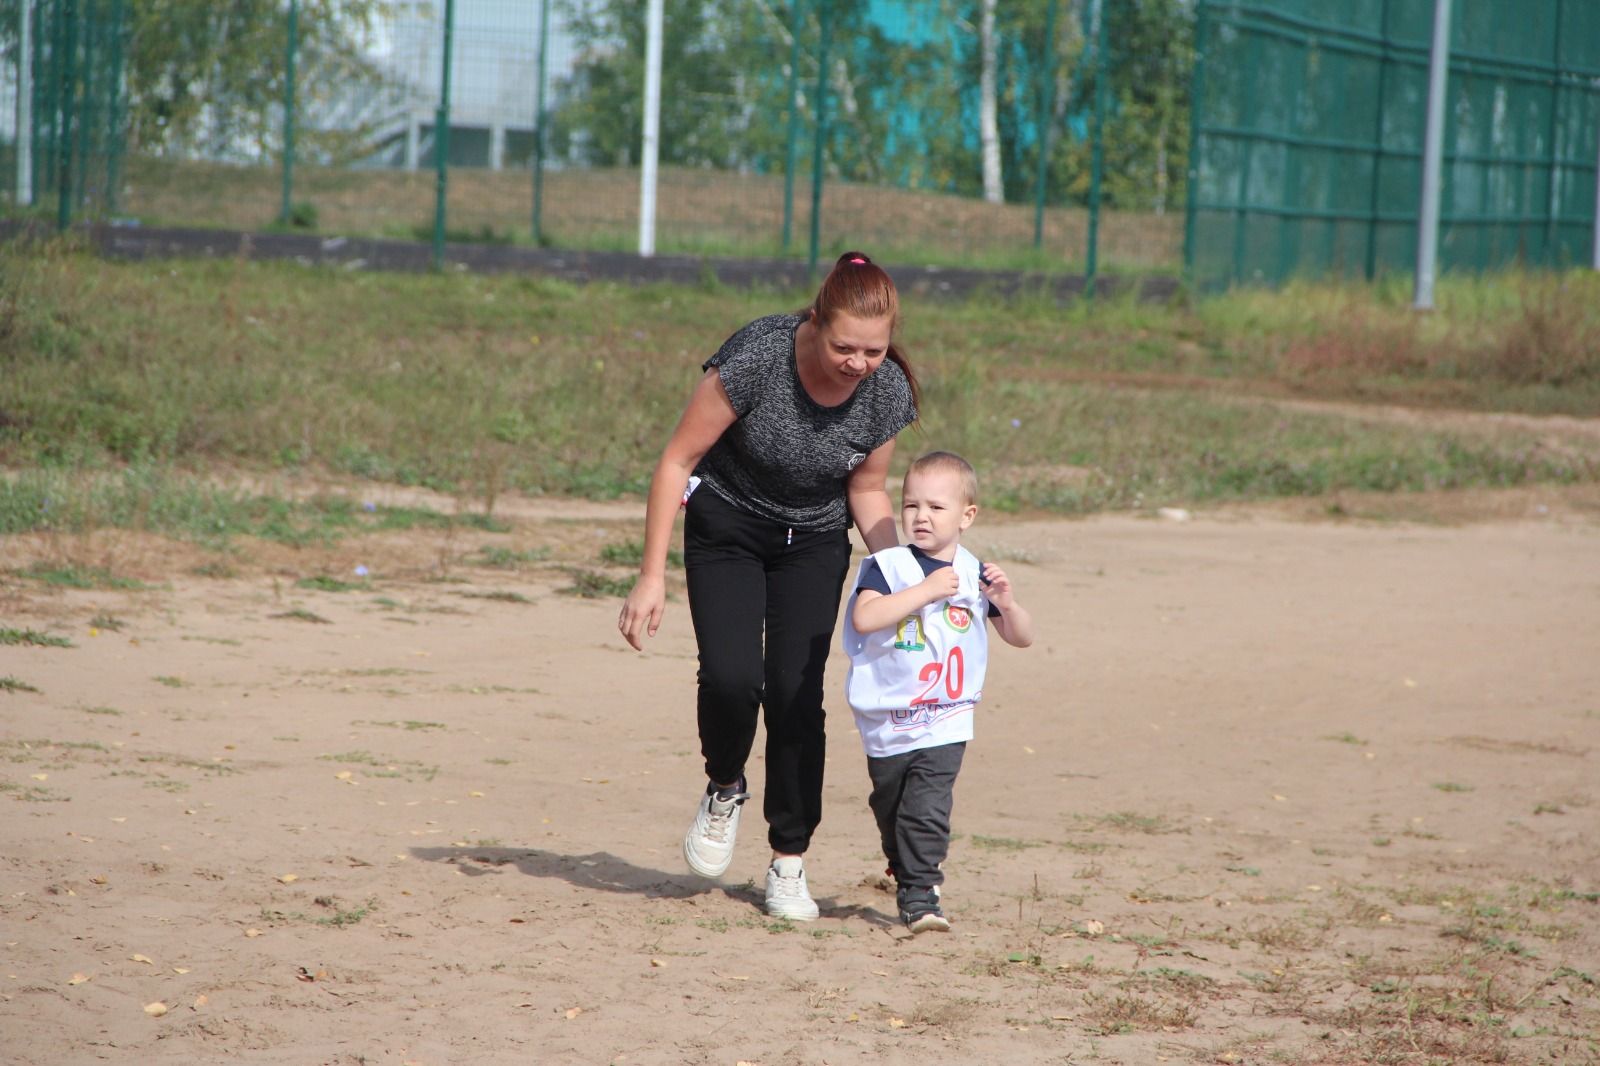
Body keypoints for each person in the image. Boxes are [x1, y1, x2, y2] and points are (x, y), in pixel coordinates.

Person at [618, 251, 919, 920]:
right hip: (727, 528)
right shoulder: (759, 355)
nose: (859, 363)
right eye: (846, 346)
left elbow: (867, 489)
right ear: (815, 320)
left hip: (811, 543)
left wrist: (903, 579)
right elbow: (677, 460)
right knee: (732, 679)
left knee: (793, 692)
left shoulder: (886, 388)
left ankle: (789, 859)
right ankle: (724, 785)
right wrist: (650, 577)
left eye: (874, 349)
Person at [840, 450, 1034, 933]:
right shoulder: (887, 566)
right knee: (892, 805)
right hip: (887, 717)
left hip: (948, 715)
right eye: (910, 506)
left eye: (936, 507)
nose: (920, 516)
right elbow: (866, 617)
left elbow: (1021, 637)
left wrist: (1006, 604)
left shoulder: (975, 573)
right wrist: (926, 591)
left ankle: (921, 896)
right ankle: (904, 865)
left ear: (967, 515)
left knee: (927, 808)